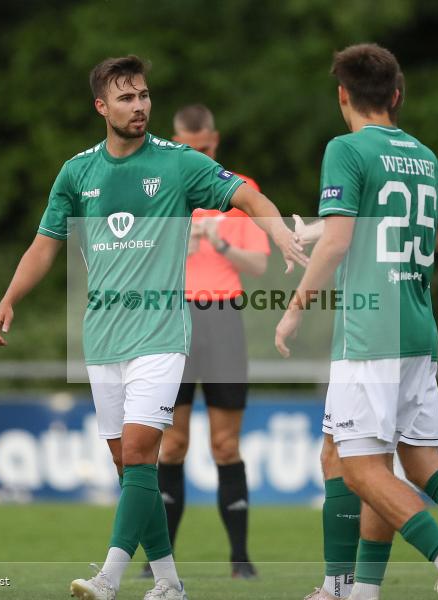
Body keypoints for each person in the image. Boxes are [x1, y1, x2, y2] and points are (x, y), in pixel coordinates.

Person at [0, 54, 306, 600]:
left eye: (143, 95)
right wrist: (9, 298)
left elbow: (248, 196)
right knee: (129, 465)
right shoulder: (77, 172)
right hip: (101, 337)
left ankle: (108, 577)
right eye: (126, 98)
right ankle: (169, 583)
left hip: (161, 334)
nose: (138, 106)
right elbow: (45, 245)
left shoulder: (180, 163)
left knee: (140, 453)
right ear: (101, 107)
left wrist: (276, 232)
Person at [276, 44, 438, 600]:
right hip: (418, 329)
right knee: (414, 460)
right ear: (396, 96)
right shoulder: (422, 155)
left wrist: (295, 307)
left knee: (358, 468)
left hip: (371, 333)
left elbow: (344, 238)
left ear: (343, 95)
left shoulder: (345, 148)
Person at [148, 104, 267, 579]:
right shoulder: (158, 189)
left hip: (221, 320)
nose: (197, 155)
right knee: (171, 445)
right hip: (171, 319)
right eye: (188, 149)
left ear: (214, 143)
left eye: (204, 148)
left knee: (224, 444)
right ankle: (160, 560)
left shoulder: (240, 191)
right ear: (175, 143)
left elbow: (258, 265)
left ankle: (240, 559)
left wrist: (218, 243)